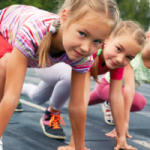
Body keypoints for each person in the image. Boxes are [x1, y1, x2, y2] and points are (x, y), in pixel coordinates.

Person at [0, 1, 119, 150]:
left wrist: (79, 147)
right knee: (4, 66)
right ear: (64, 18)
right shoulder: (33, 33)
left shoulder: (84, 56)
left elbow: (77, 106)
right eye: (82, 34)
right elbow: (11, 97)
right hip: (3, 27)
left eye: (97, 41)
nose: (86, 47)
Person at [21, 21, 146, 150]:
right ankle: (52, 113)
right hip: (47, 66)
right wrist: (74, 143)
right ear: (108, 39)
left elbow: (116, 97)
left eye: (129, 57)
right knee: (71, 79)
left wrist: (121, 138)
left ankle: (20, 90)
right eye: (118, 49)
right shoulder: (89, 54)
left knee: (37, 97)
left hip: (62, 75)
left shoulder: (118, 63)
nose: (120, 59)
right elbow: (80, 101)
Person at [89, 26, 150, 138]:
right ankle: (109, 103)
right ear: (148, 37)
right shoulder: (133, 54)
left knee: (83, 102)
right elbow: (129, 88)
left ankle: (108, 102)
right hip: (107, 86)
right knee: (138, 101)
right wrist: (123, 122)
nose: (122, 58)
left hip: (115, 90)